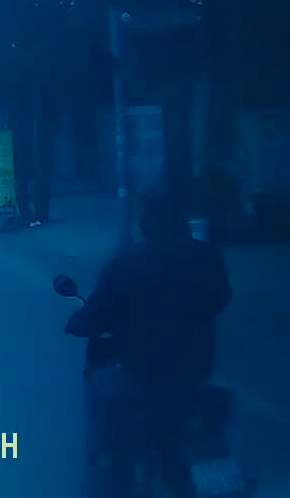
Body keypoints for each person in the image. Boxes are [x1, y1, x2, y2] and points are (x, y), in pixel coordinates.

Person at [65, 183, 231, 496]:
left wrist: (76, 323)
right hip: (197, 375)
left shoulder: (126, 263)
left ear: (146, 220)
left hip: (141, 378)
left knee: (98, 391)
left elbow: (93, 316)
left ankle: (106, 480)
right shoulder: (209, 256)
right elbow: (221, 299)